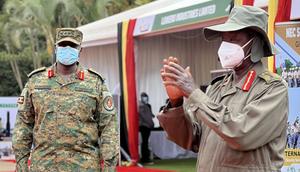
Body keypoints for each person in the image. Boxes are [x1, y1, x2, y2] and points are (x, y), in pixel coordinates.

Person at [158, 5, 288, 171]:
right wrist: (176, 102)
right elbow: (192, 138)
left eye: (233, 39)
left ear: (255, 44)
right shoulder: (218, 86)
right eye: (224, 40)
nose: (226, 45)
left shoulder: (272, 88)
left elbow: (241, 134)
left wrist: (194, 93)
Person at [12, 28, 119, 171]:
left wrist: (109, 168)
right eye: (63, 45)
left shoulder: (95, 83)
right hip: (44, 166)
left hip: (84, 167)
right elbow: (23, 127)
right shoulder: (36, 82)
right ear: (56, 48)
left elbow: (109, 129)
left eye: (73, 46)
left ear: (80, 49)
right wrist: (21, 166)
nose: (67, 49)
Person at [138, 92, 154, 164]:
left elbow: (149, 115)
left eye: (145, 96)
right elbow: (145, 116)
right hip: (144, 125)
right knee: (145, 142)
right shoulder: (141, 105)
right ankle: (145, 158)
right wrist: (151, 123)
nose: (145, 97)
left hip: (146, 125)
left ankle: (145, 158)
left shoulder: (146, 105)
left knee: (145, 142)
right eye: (143, 96)